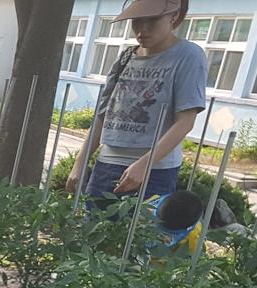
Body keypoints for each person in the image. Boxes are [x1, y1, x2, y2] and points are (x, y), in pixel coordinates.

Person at [65, 0, 206, 204]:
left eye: (152, 21)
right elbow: (103, 114)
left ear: (173, 16)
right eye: (137, 22)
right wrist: (80, 163)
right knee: (92, 232)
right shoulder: (125, 57)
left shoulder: (188, 55)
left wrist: (144, 166)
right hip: (106, 164)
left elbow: (185, 121)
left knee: (139, 234)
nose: (142, 29)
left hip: (154, 171)